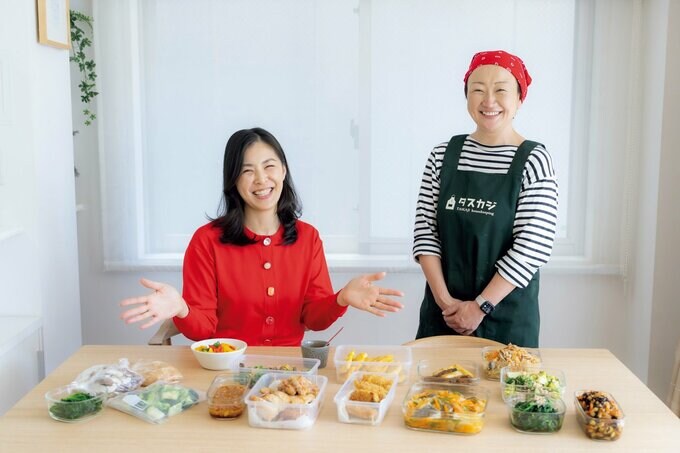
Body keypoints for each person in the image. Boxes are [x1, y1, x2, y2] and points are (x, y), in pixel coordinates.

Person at [121, 127, 403, 346]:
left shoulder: (308, 238)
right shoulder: (206, 241)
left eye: (269, 166)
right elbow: (203, 329)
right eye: (247, 171)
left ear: (283, 170)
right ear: (233, 180)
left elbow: (314, 319)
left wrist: (341, 298)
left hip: (289, 373)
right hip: (226, 370)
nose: (261, 179)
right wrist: (181, 308)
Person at [412, 50, 558, 347]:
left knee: (506, 380)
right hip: (444, 315)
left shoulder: (534, 161)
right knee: (435, 380)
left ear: (519, 98)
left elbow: (532, 246)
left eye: (501, 90)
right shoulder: (442, 156)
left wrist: (480, 306)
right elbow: (426, 233)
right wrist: (445, 303)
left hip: (507, 319)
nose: (489, 101)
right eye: (478, 90)